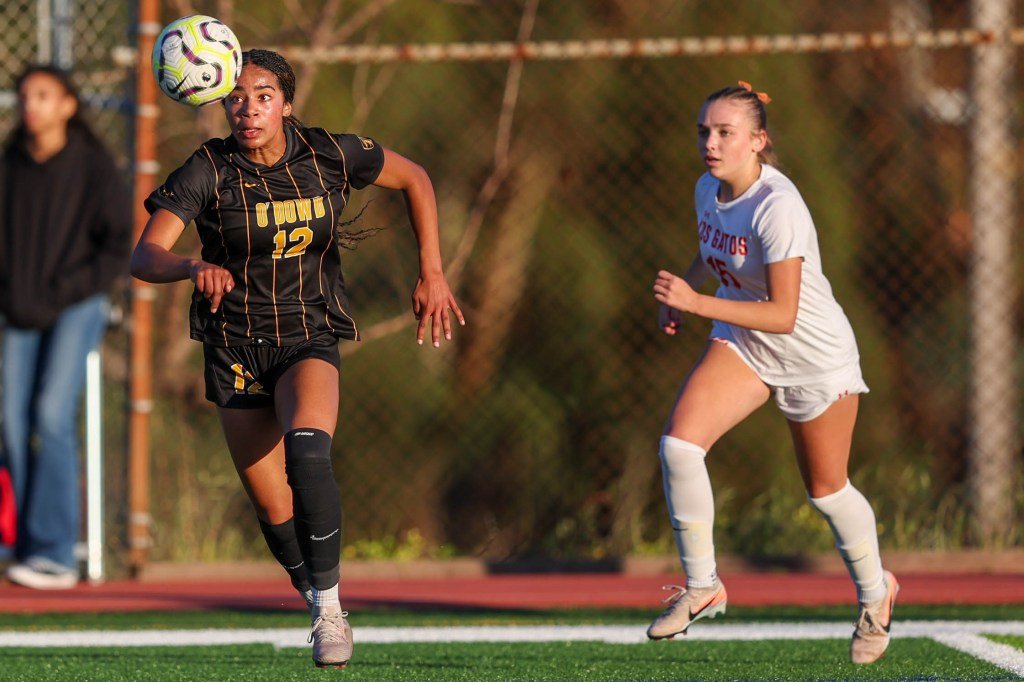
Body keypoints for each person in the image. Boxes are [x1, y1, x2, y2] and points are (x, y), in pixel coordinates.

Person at [130, 49, 464, 669]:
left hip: (308, 335)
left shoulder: (328, 153)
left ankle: (331, 612)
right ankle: (314, 595)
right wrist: (191, 266)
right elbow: (144, 256)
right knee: (274, 509)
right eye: (236, 98)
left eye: (263, 96)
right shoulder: (209, 168)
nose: (248, 109)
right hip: (234, 346)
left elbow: (415, 177)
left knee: (308, 454)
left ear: (286, 103)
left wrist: (433, 271)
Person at [648, 82, 898, 665]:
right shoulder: (707, 187)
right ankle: (703, 586)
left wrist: (695, 303)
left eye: (725, 133)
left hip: (813, 356)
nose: (710, 143)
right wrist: (686, 291)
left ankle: (876, 593)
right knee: (679, 447)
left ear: (758, 141)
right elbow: (712, 246)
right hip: (745, 340)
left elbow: (784, 314)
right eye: (704, 131)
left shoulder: (778, 205)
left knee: (827, 491)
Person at [0, 65, 130, 589]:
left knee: (51, 415)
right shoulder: (10, 163)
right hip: (17, 307)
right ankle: (19, 544)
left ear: (68, 105)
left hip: (77, 303)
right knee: (9, 419)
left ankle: (55, 552)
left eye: (43, 95)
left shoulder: (94, 166)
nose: (31, 105)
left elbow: (116, 244)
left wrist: (71, 289)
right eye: (25, 96)